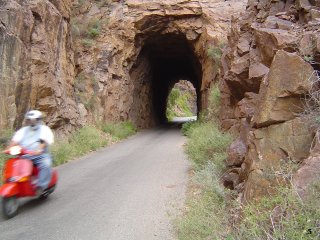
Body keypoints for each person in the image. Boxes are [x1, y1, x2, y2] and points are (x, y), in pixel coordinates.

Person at [8, 110, 54, 195]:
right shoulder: (23, 130)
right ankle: (12, 183)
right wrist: (9, 148)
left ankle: (41, 186)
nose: (32, 122)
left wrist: (39, 150)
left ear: (39, 120)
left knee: (46, 163)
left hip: (40, 155)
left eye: (34, 120)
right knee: (12, 163)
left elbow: (44, 141)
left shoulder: (44, 129)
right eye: (29, 120)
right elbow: (15, 140)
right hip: (24, 155)